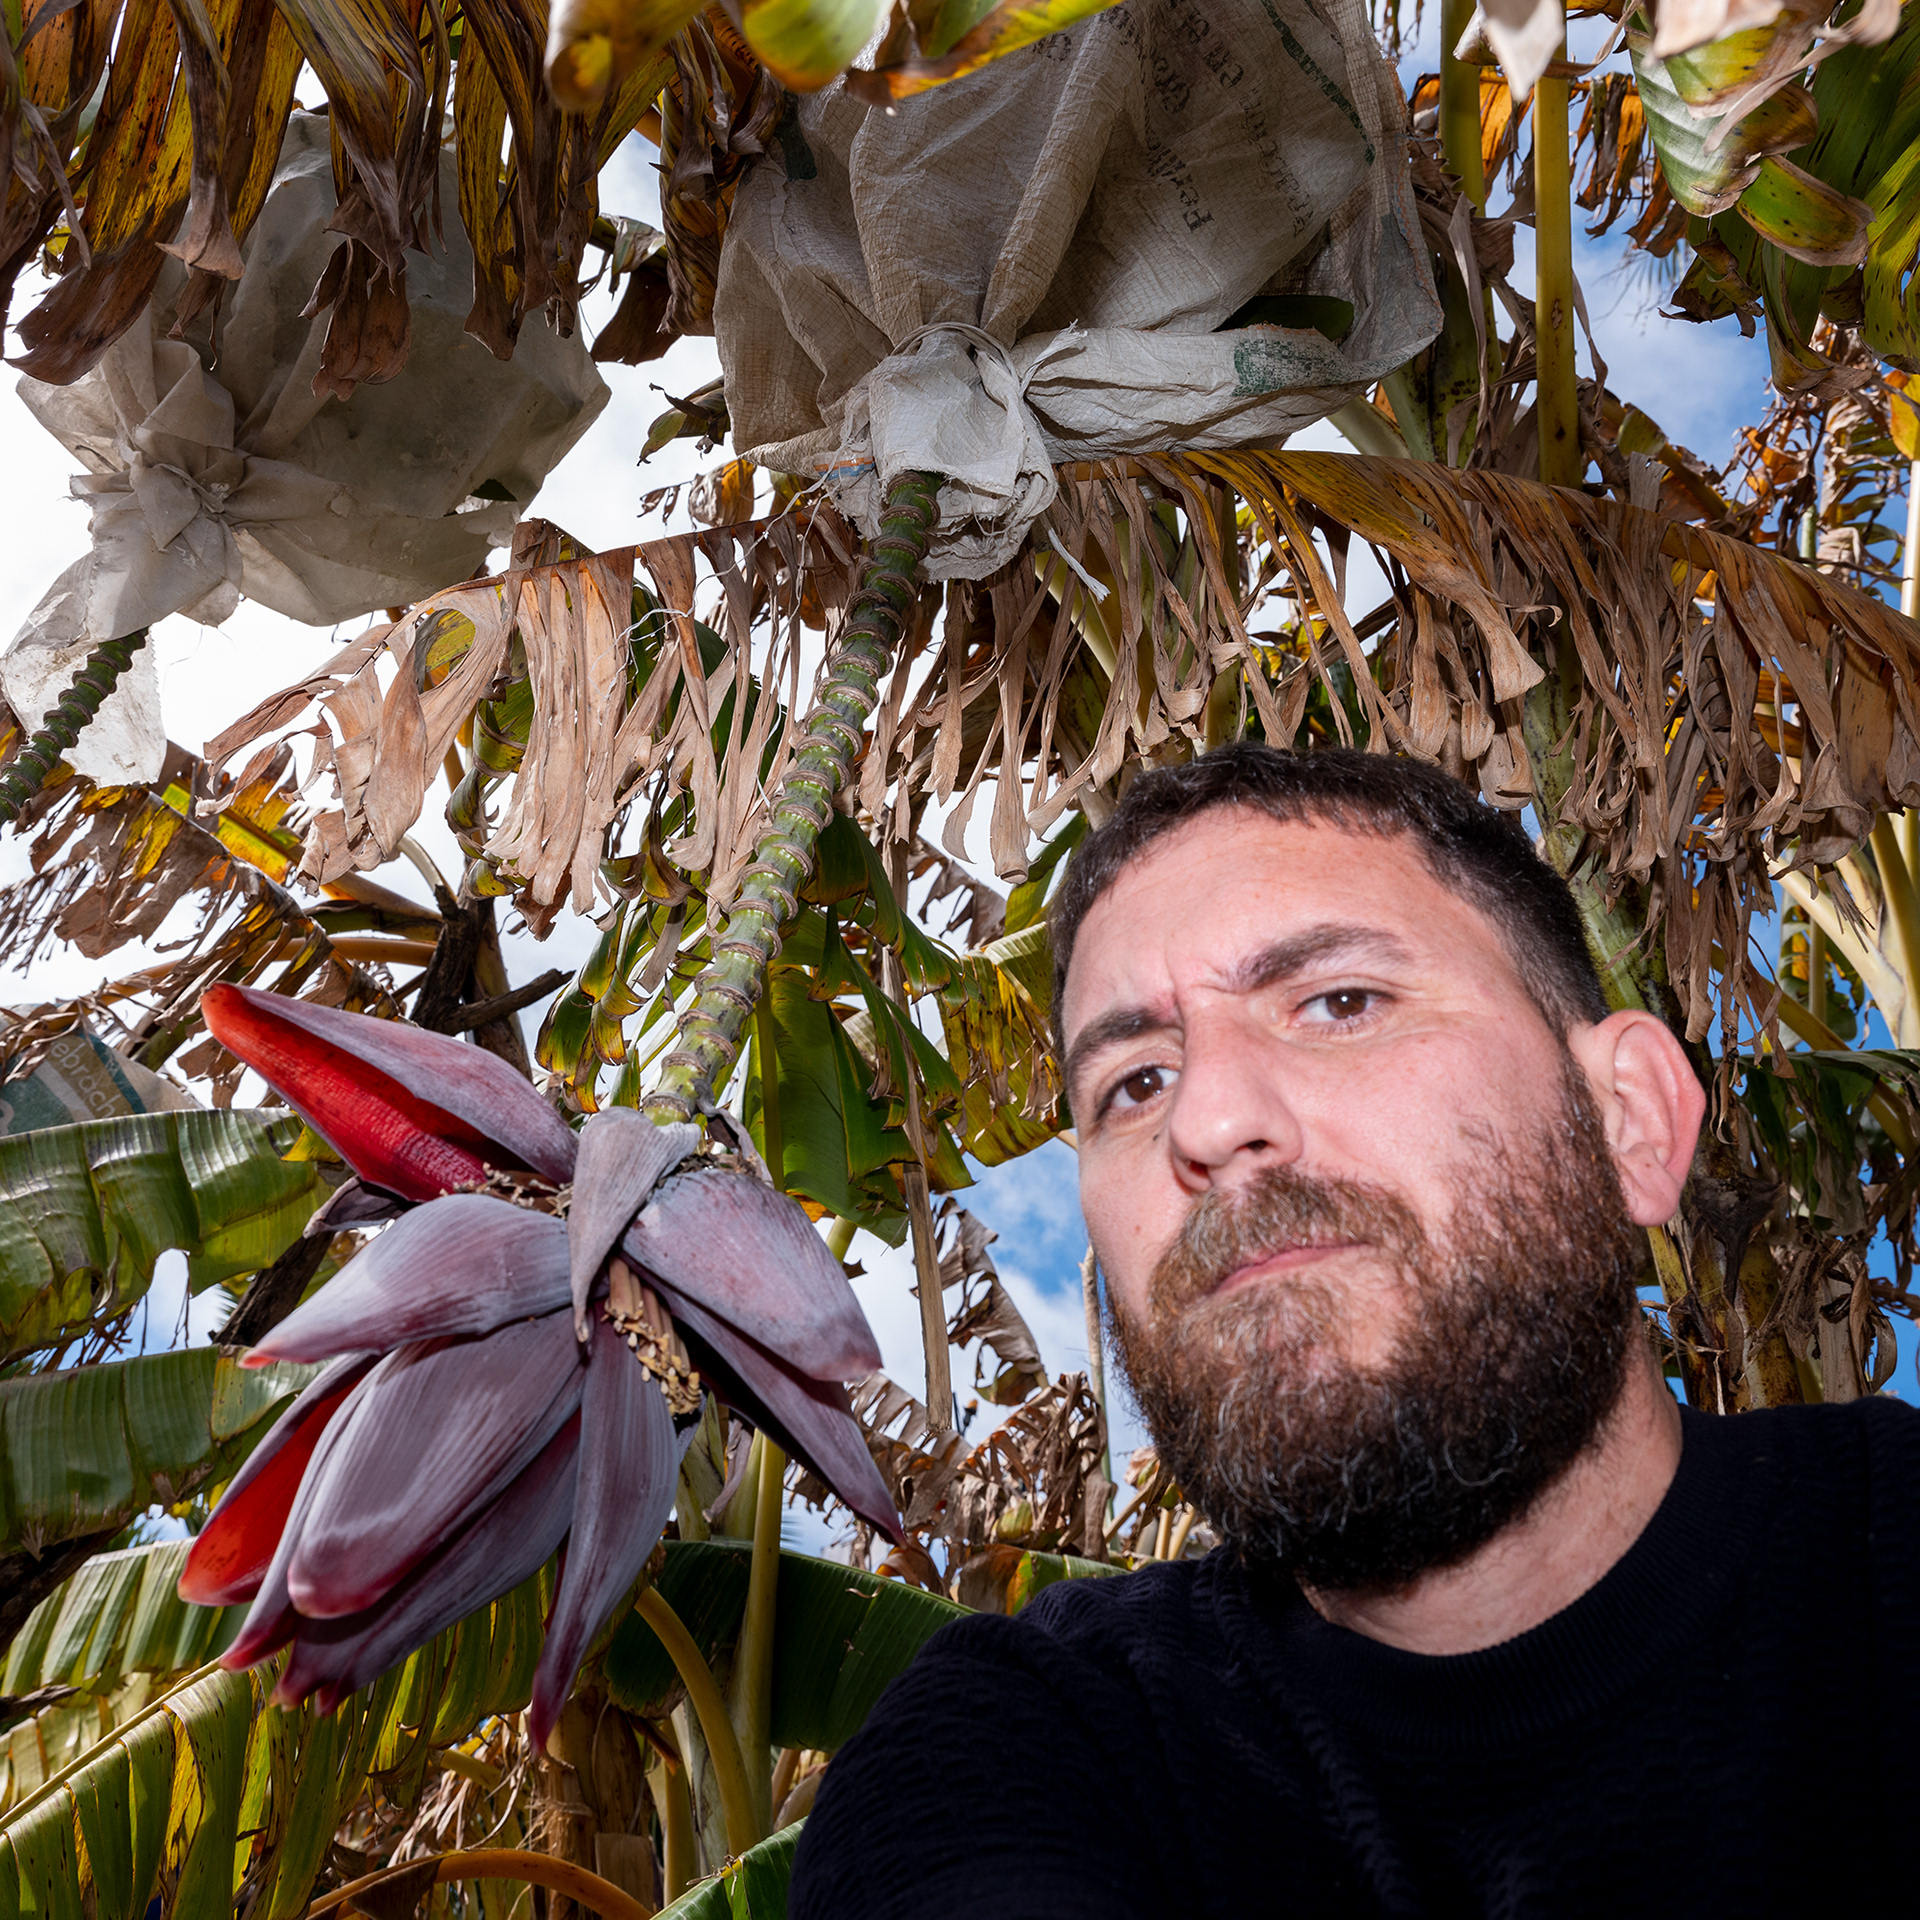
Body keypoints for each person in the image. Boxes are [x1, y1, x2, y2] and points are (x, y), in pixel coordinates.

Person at [788, 742, 1918, 1916]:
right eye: (1135, 1083)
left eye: (1340, 1002)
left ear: (1626, 1118)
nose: (1208, 1121)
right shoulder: (1027, 1746)